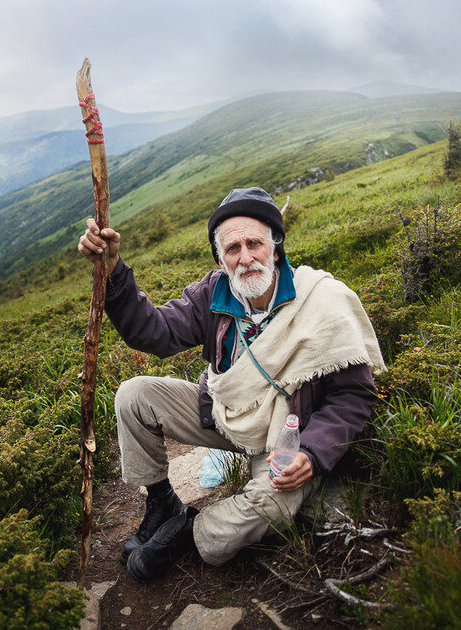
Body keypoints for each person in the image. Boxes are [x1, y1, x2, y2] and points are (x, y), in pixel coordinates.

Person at [77, 186, 385, 582]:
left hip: (287, 438)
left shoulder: (319, 300)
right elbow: (154, 332)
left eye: (254, 243)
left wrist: (311, 452)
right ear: (221, 261)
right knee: (134, 395)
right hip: (225, 416)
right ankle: (162, 502)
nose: (245, 258)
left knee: (260, 514)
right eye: (232, 249)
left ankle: (194, 530)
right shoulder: (214, 293)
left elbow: (354, 394)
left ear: (275, 248)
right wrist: (114, 269)